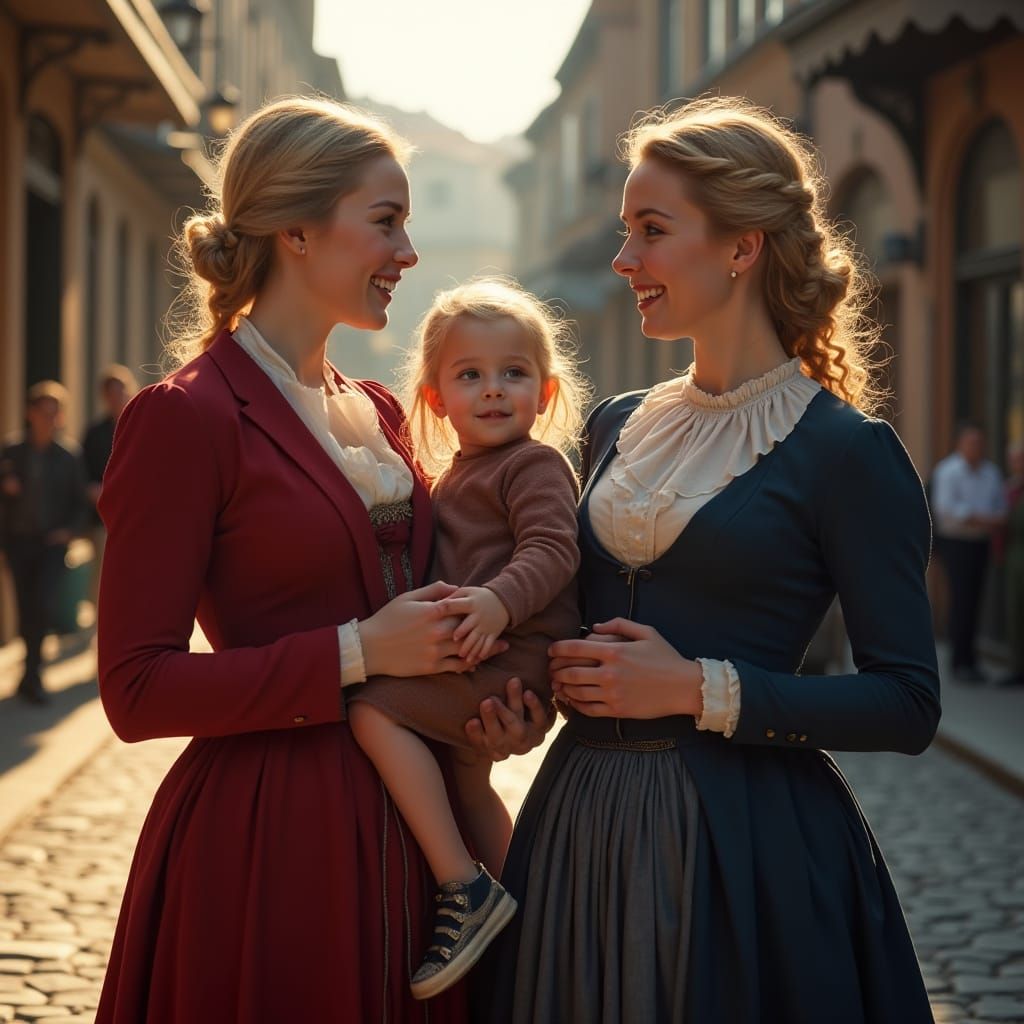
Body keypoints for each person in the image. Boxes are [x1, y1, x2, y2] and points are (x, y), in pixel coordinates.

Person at [476, 96, 941, 1023]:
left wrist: (698, 688)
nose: (624, 262)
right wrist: (519, 699)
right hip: (578, 826)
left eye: (652, 231)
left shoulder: (847, 452)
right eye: (624, 232)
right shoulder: (614, 425)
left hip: (750, 850)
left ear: (742, 246)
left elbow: (907, 701)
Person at [94, 97, 546, 1024]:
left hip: (421, 842)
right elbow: (135, 690)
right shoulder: (186, 416)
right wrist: (357, 653)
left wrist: (491, 711)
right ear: (296, 229)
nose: (409, 253)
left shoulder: (379, 410)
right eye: (386, 221)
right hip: (271, 840)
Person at [347, 278, 586, 999]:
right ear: (434, 397)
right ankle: (525, 909)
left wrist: (495, 602)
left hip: (513, 652)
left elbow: (553, 550)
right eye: (470, 375)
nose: (492, 391)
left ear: (543, 393)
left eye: (513, 374)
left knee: (371, 710)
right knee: (462, 780)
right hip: (479, 652)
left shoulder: (532, 464)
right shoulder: (450, 476)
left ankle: (462, 885)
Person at [0, 381, 87, 704]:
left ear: (61, 417)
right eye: (42, 412)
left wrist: (68, 532)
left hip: (51, 545)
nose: (48, 419)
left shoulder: (68, 456)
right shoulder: (12, 452)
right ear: (30, 414)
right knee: (25, 607)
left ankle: (33, 674)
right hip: (19, 543)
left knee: (42, 605)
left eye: (54, 413)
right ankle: (29, 673)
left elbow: (81, 503)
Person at [931, 422, 1007, 683]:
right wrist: (979, 518)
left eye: (979, 443)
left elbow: (1001, 510)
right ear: (960, 444)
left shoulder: (991, 473)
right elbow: (946, 511)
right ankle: (958, 661)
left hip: (980, 544)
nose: (976, 448)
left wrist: (978, 519)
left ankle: (971, 659)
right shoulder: (948, 471)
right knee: (961, 599)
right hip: (956, 544)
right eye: (971, 442)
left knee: (976, 601)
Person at [81, 365, 137, 605]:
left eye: (120, 391)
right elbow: (82, 473)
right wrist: (92, 489)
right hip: (103, 516)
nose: (116, 397)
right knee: (104, 571)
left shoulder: (141, 424)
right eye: (111, 393)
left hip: (137, 514)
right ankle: (100, 622)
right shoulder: (94, 433)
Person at [998, 441, 1024, 686]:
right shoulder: (1008, 488)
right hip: (1014, 556)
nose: (1018, 464)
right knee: (1014, 612)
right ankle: (1017, 667)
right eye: (1015, 460)